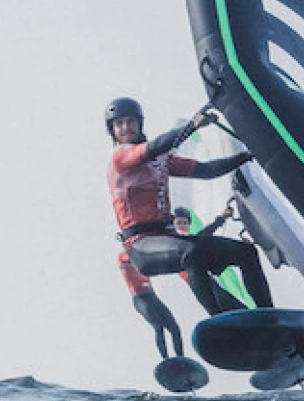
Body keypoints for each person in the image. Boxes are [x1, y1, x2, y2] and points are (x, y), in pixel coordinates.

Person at [107, 96, 272, 317]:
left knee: (246, 253)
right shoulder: (121, 157)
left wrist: (246, 156)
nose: (125, 127)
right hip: (141, 246)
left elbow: (206, 170)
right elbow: (156, 146)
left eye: (130, 121)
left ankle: (270, 317)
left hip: (170, 238)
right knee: (192, 254)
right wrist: (192, 126)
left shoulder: (160, 161)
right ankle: (219, 320)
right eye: (119, 124)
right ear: (112, 131)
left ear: (140, 123)